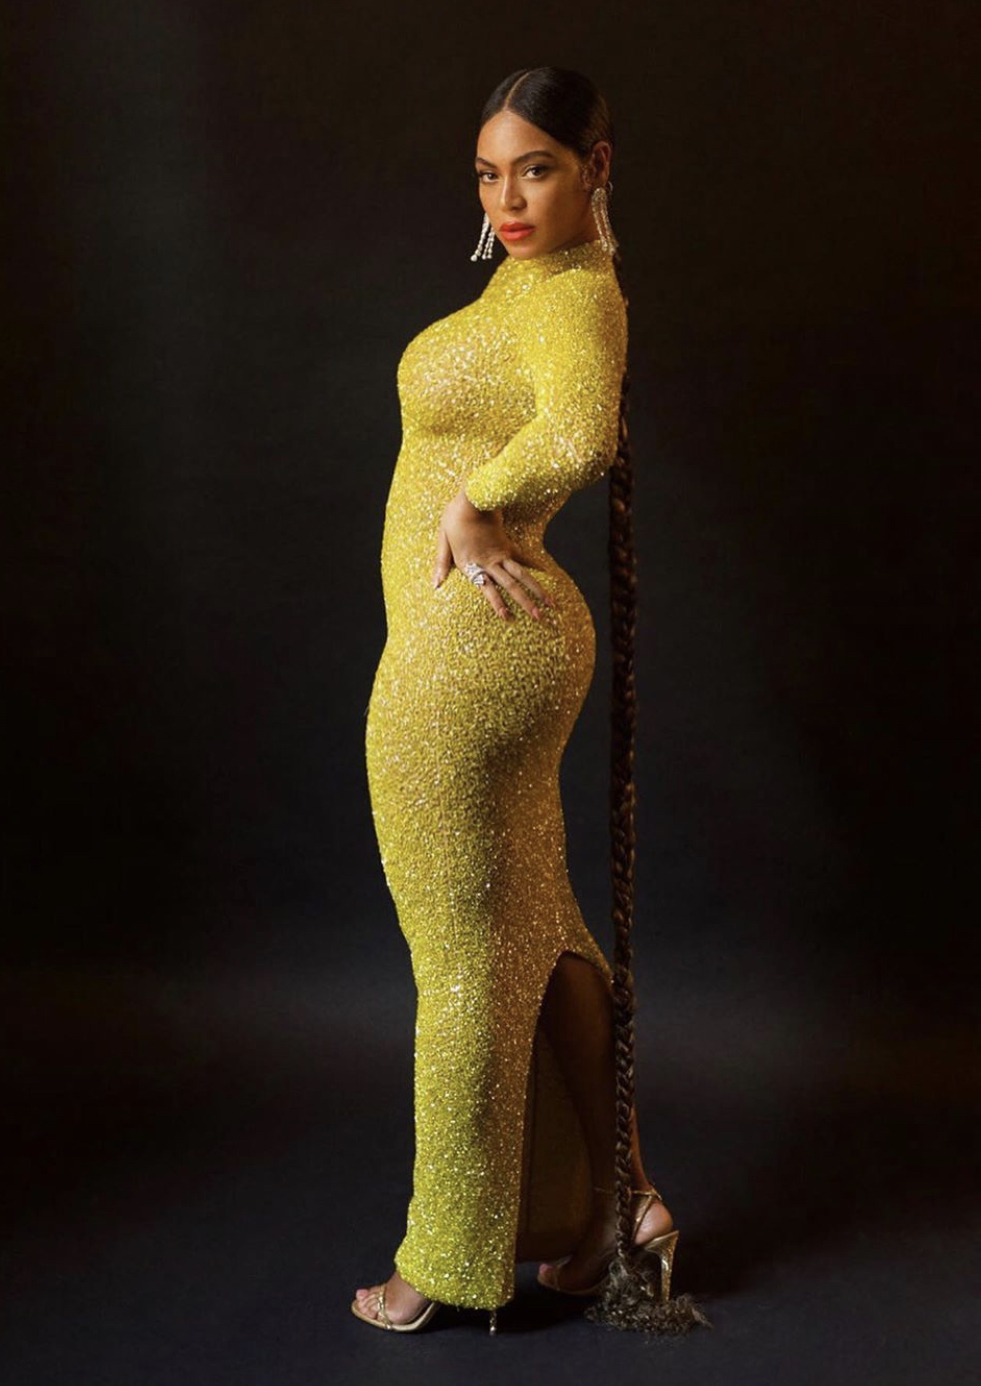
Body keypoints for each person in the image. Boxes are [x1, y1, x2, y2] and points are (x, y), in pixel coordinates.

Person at [351, 67, 707, 1337]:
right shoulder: (530, 282)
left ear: (596, 168)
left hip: (473, 652)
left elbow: (578, 431)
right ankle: (627, 1207)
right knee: (537, 934)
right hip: (488, 647)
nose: (507, 199)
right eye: (489, 174)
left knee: (460, 959)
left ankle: (446, 1258)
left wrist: (477, 502)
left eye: (537, 169)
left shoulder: (576, 295)